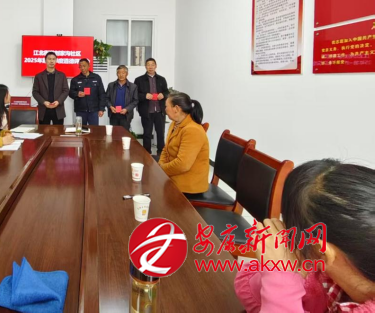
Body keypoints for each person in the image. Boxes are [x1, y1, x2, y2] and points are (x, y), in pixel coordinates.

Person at [235, 159, 375, 312]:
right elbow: (246, 289)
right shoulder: (327, 275)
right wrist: (279, 270)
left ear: (322, 251)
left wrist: (280, 278)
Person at [158, 92, 208, 194]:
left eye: (166, 106)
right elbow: (166, 148)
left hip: (188, 185)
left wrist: (161, 169)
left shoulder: (192, 130)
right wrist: (160, 165)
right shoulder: (174, 123)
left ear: (176, 108)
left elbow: (182, 165)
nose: (165, 109)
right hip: (173, 176)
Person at [134, 58, 170, 157]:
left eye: (152, 64)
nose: (150, 67)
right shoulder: (139, 80)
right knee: (147, 134)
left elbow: (167, 91)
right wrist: (144, 95)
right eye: (148, 65)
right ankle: (147, 154)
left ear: (155, 66)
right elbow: (135, 94)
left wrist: (163, 94)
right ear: (145, 66)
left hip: (159, 110)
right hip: (147, 111)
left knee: (160, 133)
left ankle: (161, 153)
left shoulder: (162, 79)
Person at [32, 52, 69, 125]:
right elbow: (35, 92)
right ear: (45, 60)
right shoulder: (39, 76)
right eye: (49, 59)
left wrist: (58, 101)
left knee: (58, 131)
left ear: (56, 61)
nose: (51, 61)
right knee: (43, 131)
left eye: (53, 59)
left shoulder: (62, 75)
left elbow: (66, 90)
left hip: (58, 109)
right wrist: (44, 102)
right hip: (44, 109)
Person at [68, 58, 107, 126]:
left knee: (94, 130)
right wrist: (77, 94)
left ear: (89, 66)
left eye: (84, 66)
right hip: (80, 111)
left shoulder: (96, 78)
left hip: (94, 110)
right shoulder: (75, 80)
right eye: (80, 66)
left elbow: (102, 94)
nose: (82, 68)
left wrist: (101, 109)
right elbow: (70, 93)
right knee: (80, 130)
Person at [106, 65, 139, 131]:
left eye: (123, 73)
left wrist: (127, 109)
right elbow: (106, 98)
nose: (121, 75)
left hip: (126, 115)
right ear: (117, 74)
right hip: (113, 114)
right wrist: (110, 107)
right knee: (114, 134)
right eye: (119, 73)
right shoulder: (111, 85)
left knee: (124, 134)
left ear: (127, 74)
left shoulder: (133, 86)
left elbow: (136, 101)